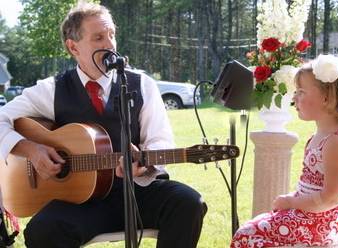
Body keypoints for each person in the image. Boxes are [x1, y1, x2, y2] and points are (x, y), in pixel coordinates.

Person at [0, 1, 206, 247]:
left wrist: (144, 164)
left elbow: (160, 140)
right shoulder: (51, 89)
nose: (109, 44)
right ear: (73, 47)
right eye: (98, 38)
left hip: (138, 192)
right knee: (42, 229)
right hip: (81, 203)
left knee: (188, 203)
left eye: (111, 35)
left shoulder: (141, 84)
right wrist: (31, 150)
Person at [231, 54, 338, 247]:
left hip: (322, 224)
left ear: (327, 97)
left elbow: (331, 199)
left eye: (301, 92)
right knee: (251, 228)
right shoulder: (319, 138)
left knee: (247, 235)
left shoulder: (337, 143)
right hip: (309, 215)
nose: (294, 98)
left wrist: (291, 202)